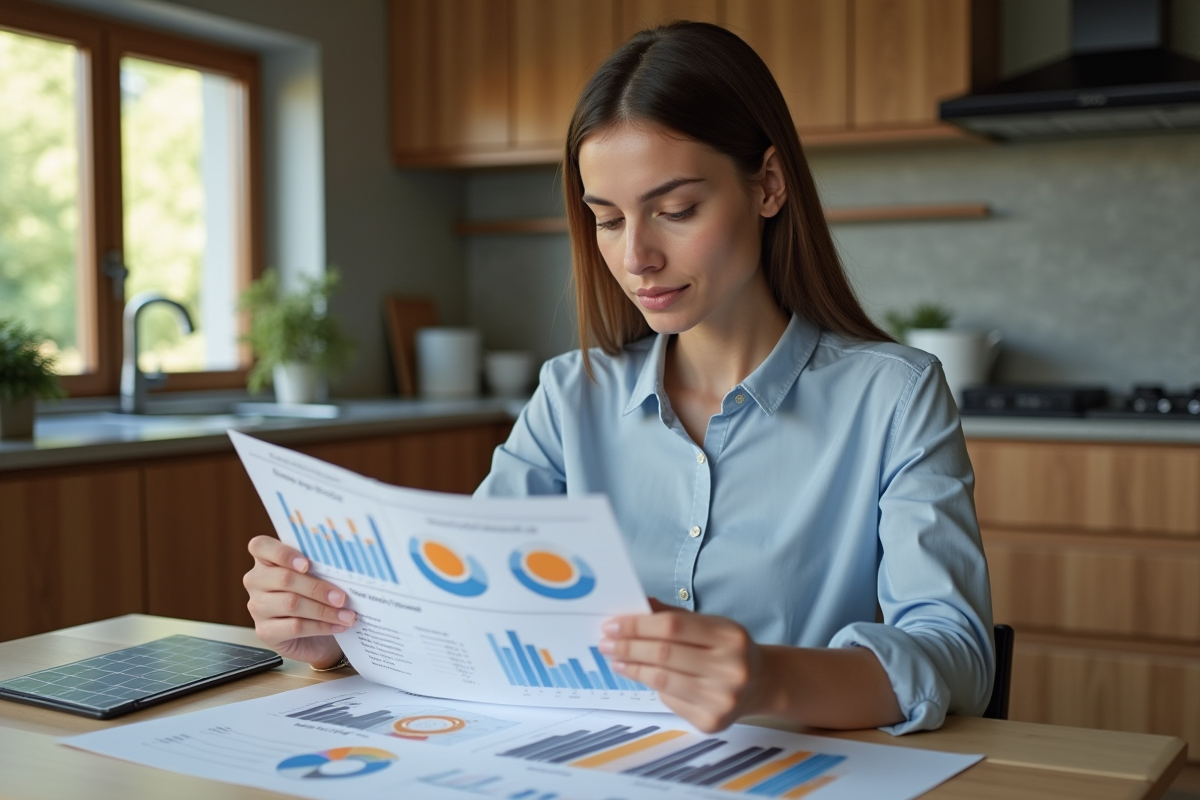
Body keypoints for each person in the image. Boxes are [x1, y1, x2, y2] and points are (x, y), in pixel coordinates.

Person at [244, 21, 994, 736]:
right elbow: (464, 607)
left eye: (675, 210)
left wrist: (772, 679)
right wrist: (336, 630)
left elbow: (957, 654)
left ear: (768, 186)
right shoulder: (571, 397)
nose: (636, 257)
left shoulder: (895, 396)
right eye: (606, 219)